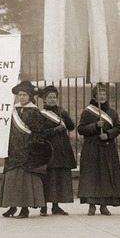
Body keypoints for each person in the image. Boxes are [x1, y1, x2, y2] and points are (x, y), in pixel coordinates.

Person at [0, 80, 49, 218]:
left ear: (30, 97)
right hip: (13, 151)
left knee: (25, 182)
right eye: (20, 95)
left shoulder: (34, 112)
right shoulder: (13, 110)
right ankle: (12, 206)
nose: (21, 97)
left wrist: (31, 147)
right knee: (11, 180)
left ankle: (24, 208)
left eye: (24, 95)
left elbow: (38, 132)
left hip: (27, 152)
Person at [77, 82, 120, 215]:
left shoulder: (112, 112)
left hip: (107, 148)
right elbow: (81, 129)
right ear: (95, 96)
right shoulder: (87, 112)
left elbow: (118, 127)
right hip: (92, 148)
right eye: (99, 94)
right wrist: (96, 126)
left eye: (104, 94)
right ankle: (91, 206)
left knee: (105, 176)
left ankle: (104, 205)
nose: (102, 96)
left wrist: (108, 134)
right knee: (91, 176)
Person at [37, 85, 76, 216]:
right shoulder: (41, 115)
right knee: (48, 178)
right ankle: (44, 207)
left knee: (58, 178)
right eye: (50, 97)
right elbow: (39, 134)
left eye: (55, 97)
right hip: (48, 150)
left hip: (62, 150)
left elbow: (71, 127)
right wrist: (54, 130)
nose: (53, 100)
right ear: (44, 100)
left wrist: (65, 115)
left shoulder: (61, 112)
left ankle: (56, 206)